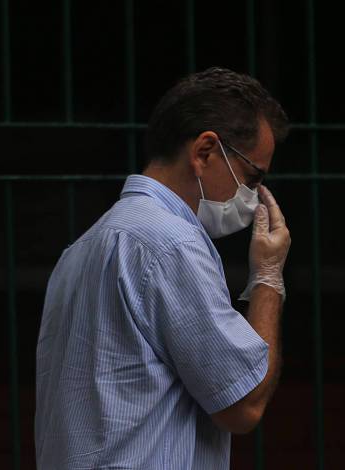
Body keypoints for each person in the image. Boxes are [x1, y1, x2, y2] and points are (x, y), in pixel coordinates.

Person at [35, 67, 291, 469]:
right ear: (205, 152)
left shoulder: (84, 247)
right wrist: (268, 277)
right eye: (252, 176)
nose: (255, 197)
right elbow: (243, 404)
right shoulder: (172, 243)